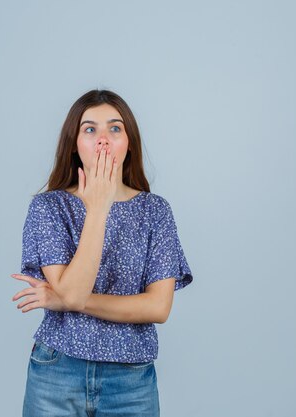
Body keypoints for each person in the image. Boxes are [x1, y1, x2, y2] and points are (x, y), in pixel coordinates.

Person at [11, 89, 193, 417]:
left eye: (115, 128)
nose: (103, 139)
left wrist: (64, 299)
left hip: (131, 380)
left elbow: (158, 307)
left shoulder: (155, 212)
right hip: (58, 372)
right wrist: (98, 207)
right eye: (90, 129)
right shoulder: (48, 208)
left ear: (129, 142)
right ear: (74, 143)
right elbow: (73, 292)